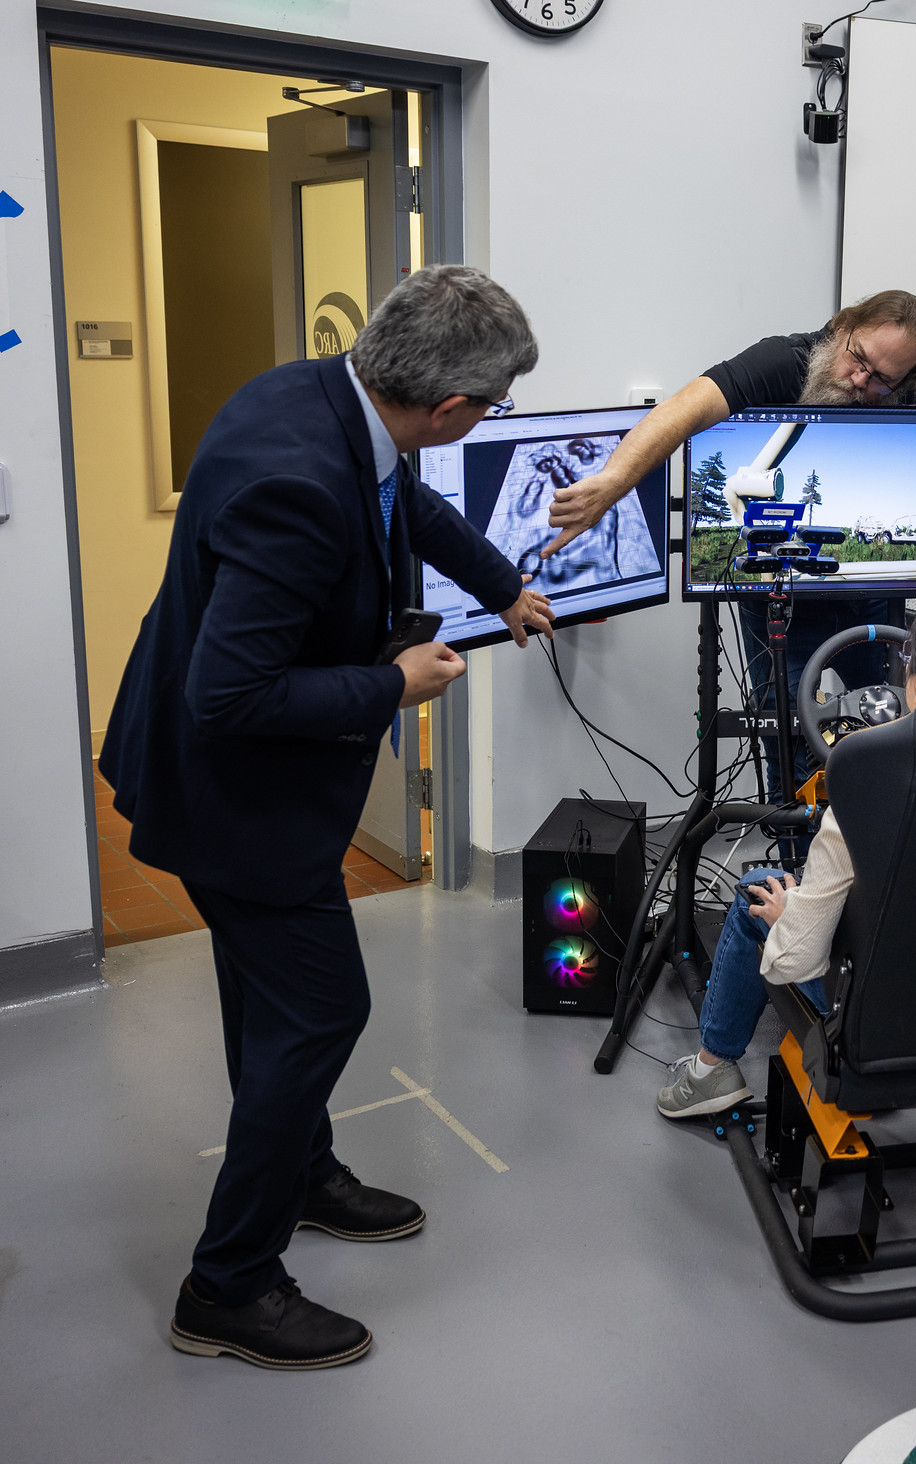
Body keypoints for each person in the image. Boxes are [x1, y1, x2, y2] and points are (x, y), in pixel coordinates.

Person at [98, 266, 556, 1370]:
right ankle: (229, 1284)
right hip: (233, 798)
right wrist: (395, 684)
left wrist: (500, 586)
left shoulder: (314, 391)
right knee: (314, 1013)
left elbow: (411, 504)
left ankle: (300, 1175)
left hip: (221, 781)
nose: (477, 425)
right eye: (486, 411)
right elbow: (233, 695)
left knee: (271, 1010)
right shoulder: (297, 482)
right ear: (449, 409)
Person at [541, 291, 916, 800]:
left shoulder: (895, 390)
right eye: (858, 359)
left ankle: (852, 866)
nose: (862, 382)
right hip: (779, 597)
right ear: (842, 327)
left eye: (884, 380)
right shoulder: (784, 361)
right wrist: (611, 483)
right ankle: (792, 867)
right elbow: (683, 410)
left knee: (876, 728)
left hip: (864, 592)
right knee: (792, 739)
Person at [655, 596, 916, 1118]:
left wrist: (791, 917)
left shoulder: (865, 788)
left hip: (883, 1001)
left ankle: (710, 1070)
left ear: (913, 688)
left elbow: (793, 959)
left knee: (758, 891)